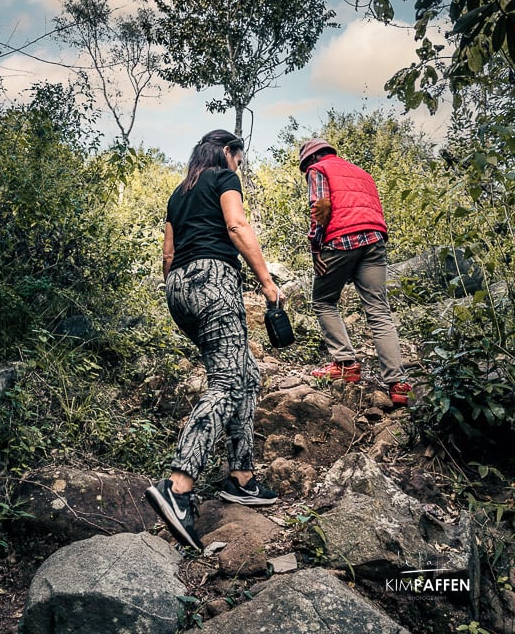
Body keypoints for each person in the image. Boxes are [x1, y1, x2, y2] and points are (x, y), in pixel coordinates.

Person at [145, 129, 283, 552]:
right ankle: (178, 486)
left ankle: (240, 478)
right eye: (238, 159)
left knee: (247, 374)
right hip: (213, 282)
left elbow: (167, 256)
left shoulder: (178, 192)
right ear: (227, 152)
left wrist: (186, 290)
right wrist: (267, 283)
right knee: (226, 382)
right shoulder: (224, 178)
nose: (238, 166)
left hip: (178, 289)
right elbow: (237, 226)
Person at [298, 138, 412, 406]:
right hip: (374, 239)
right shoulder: (362, 173)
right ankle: (398, 384)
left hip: (340, 241)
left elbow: (320, 209)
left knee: (323, 301)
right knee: (379, 310)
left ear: (311, 160)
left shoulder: (318, 170)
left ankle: (346, 363)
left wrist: (316, 248)